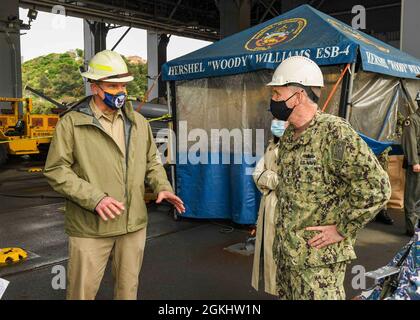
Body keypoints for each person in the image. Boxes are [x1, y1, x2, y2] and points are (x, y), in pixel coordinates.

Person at [44, 50, 185, 300]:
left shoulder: (138, 122)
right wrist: (95, 198)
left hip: (132, 225)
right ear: (95, 86)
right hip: (90, 227)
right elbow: (56, 170)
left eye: (123, 85)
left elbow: (151, 160)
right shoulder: (71, 124)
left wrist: (162, 185)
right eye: (112, 85)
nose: (120, 91)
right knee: (81, 293)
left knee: (127, 291)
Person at [267, 56, 391, 300]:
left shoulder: (334, 132)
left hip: (317, 265)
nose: (273, 101)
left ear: (298, 96)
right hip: (288, 257)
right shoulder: (291, 134)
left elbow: (377, 187)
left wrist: (342, 229)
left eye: (277, 94)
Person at [251, 119, 286, 296]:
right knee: (270, 253)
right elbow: (257, 174)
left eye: (281, 120)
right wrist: (273, 179)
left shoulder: (296, 148)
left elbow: (290, 181)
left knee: (283, 256)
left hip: (285, 208)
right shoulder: (272, 145)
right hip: (269, 204)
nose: (276, 123)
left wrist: (270, 178)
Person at [401, 91, 420, 237]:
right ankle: (411, 228)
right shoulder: (412, 120)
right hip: (417, 162)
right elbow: (410, 142)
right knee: (412, 196)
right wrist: (414, 162)